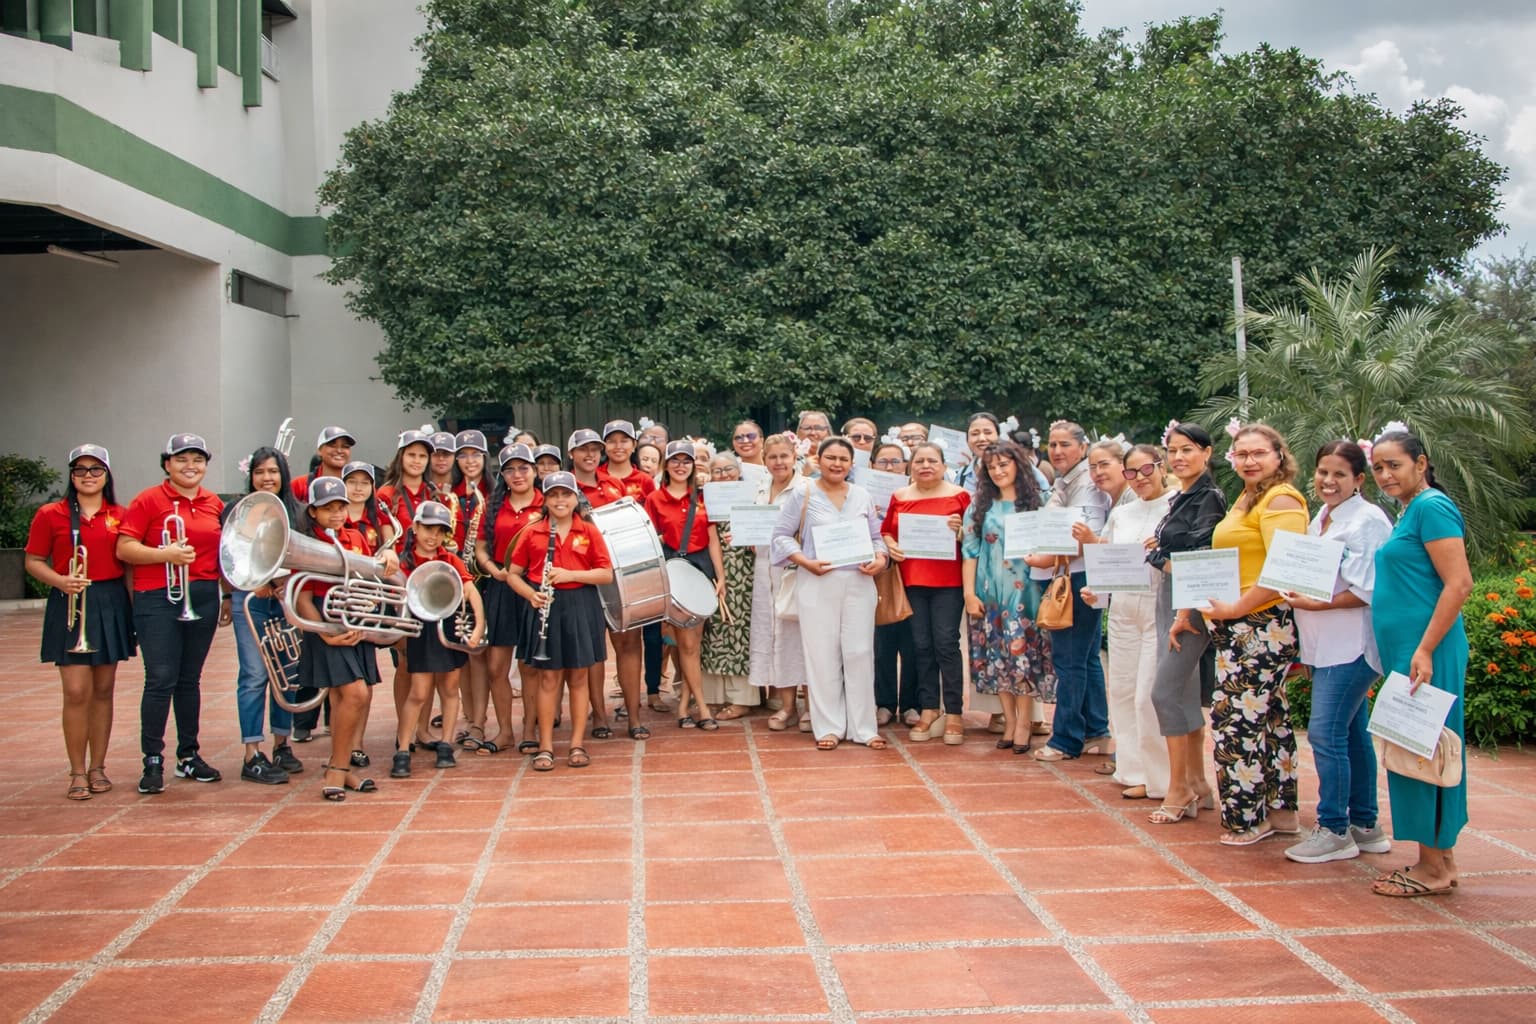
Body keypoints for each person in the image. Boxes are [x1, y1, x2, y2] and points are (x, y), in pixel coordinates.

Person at [1367, 428, 1472, 897]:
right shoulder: (1412, 511)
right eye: (1379, 467)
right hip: (1411, 653)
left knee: (1425, 748)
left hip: (1426, 652)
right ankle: (1439, 860)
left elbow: (1459, 584)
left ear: (1421, 463)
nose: (1386, 474)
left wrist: (1425, 649)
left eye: (1395, 465)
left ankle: (1432, 867)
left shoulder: (1431, 507)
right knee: (1421, 744)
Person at [1283, 440, 1394, 863]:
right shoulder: (1322, 519)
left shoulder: (1367, 521)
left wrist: (1313, 603)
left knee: (1325, 734)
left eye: (1339, 475)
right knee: (1349, 732)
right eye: (1322, 473)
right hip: (1324, 646)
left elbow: (1368, 591)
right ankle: (1365, 825)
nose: (1328, 482)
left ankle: (1333, 829)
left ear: (1358, 480)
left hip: (1351, 645)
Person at [1202, 423, 1307, 846]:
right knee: (1270, 718)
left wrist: (1235, 608)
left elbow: (1285, 570)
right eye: (1241, 454)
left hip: (1262, 624)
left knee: (1235, 720)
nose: (1248, 461)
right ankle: (1280, 812)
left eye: (1258, 453)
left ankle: (1248, 819)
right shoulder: (1249, 497)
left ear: (1279, 456)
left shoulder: (1281, 499)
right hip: (1241, 624)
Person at [116, 433, 226, 793]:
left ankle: (188, 755)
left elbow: (223, 552)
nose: (190, 466)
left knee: (189, 679)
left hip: (204, 595)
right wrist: (165, 555)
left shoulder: (213, 503)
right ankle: (152, 759)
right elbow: (125, 547)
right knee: (161, 677)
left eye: (198, 459)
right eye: (182, 459)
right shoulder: (149, 499)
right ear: (167, 464)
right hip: (157, 596)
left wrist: (224, 595)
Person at [25, 444, 134, 800]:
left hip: (110, 601)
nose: (88, 476)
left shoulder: (120, 513)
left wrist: (135, 614)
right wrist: (59, 580)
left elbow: (129, 566)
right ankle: (76, 771)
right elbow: (33, 560)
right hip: (69, 599)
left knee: (103, 690)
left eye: (96, 469)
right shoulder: (50, 514)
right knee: (75, 692)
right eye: (81, 470)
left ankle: (98, 767)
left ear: (107, 474)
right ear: (71, 476)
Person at [772, 437, 889, 750]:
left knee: (860, 653)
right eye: (831, 458)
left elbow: (877, 538)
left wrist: (879, 559)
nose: (837, 464)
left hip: (859, 582)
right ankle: (828, 727)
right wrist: (805, 562)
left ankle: (864, 728)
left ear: (852, 464)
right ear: (818, 460)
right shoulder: (804, 492)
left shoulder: (862, 495)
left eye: (843, 459)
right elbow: (781, 536)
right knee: (822, 654)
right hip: (818, 580)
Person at [1078, 444, 1174, 799]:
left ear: (1161, 466)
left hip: (1157, 606)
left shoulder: (1177, 505)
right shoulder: (1123, 512)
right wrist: (1096, 593)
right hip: (1121, 611)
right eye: (1132, 473)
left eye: (1146, 470)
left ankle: (1161, 779)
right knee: (1121, 689)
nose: (1139, 479)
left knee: (1147, 696)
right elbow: (1111, 562)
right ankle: (1132, 770)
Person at [507, 472, 614, 771]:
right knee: (549, 678)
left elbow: (605, 574)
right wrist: (530, 594)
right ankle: (545, 746)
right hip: (545, 605)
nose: (559, 500)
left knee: (579, 677)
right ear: (545, 499)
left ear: (575, 498)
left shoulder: (589, 531)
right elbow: (513, 574)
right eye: (553, 495)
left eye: (565, 494)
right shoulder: (533, 532)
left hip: (580, 605)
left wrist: (571, 575)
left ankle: (577, 743)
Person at [1147, 422, 1226, 825]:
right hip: (1172, 599)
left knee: (1165, 693)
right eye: (1173, 451)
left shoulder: (1209, 497)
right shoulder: (1183, 496)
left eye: (1188, 450)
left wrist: (1158, 557)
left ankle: (1178, 787)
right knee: (1185, 692)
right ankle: (1197, 782)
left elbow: (1201, 558)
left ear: (1207, 452)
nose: (1178, 458)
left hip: (1190, 607)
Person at [290, 477, 387, 800]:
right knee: (355, 694)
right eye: (327, 508)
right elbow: (302, 600)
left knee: (343, 697)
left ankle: (342, 766)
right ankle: (337, 769)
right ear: (313, 512)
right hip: (324, 622)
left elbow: (371, 583)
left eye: (340, 506)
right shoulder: (305, 543)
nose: (335, 513)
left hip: (353, 619)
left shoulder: (357, 536)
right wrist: (327, 633)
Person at [1027, 421, 1112, 762]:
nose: (1058, 451)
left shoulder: (1087, 487)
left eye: (1065, 444)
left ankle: (1065, 739)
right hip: (1074, 576)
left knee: (1070, 661)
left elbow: (1084, 539)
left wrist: (1043, 558)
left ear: (1082, 447)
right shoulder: (1066, 482)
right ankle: (1095, 730)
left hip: (1076, 578)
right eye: (1053, 444)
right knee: (1087, 658)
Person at [961, 440, 1053, 753]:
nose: (999, 471)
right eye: (992, 467)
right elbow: (970, 550)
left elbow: (1056, 545)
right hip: (990, 592)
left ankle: (1025, 722)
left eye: (1004, 464)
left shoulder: (1039, 503)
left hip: (1027, 591)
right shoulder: (979, 506)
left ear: (1018, 464)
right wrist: (969, 593)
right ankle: (1009, 721)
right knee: (996, 656)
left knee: (1022, 656)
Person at [223, 446, 305, 785]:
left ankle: (282, 744)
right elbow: (230, 557)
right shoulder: (238, 511)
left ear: (282, 474)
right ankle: (252, 754)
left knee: (286, 670)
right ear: (251, 476)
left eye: (273, 471)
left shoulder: (297, 512)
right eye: (260, 472)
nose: (267, 478)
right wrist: (242, 588)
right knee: (255, 674)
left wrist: (285, 581)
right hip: (251, 597)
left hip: (286, 597)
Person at [884, 441, 972, 744]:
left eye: (932, 461)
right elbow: (886, 531)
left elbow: (973, 539)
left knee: (946, 644)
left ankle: (955, 713)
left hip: (949, 582)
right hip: (912, 581)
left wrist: (959, 531)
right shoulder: (900, 496)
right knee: (920, 645)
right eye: (919, 461)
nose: (925, 466)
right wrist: (890, 544)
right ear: (911, 467)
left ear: (944, 466)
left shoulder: (960, 496)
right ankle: (929, 708)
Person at [391, 501, 483, 777]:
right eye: (427, 528)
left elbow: (470, 591)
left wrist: (478, 627)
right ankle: (403, 748)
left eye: (439, 531)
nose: (433, 536)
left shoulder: (450, 560)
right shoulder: (404, 561)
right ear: (415, 528)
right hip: (420, 630)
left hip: (448, 627)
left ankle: (446, 742)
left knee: (450, 687)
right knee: (419, 691)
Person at [646, 441, 727, 730]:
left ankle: (683, 706)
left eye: (686, 461)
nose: (681, 466)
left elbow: (713, 538)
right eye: (675, 460)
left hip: (701, 567)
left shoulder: (703, 497)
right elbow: (651, 540)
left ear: (694, 465)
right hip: (673, 570)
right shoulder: (654, 499)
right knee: (685, 643)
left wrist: (721, 577)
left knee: (693, 644)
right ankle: (702, 708)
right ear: (666, 465)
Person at [476, 444, 544, 755]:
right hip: (502, 590)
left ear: (534, 471)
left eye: (523, 468)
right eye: (510, 469)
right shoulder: (494, 505)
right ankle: (505, 730)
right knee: (495, 666)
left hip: (533, 590)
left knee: (530, 666)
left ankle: (530, 729)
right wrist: (494, 570)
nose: (517, 475)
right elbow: (480, 548)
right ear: (502, 475)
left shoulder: (546, 503)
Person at [596, 420, 653, 738]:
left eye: (624, 441)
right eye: (612, 441)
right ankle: (598, 715)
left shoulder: (644, 481)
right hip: (595, 572)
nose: (618, 446)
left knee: (631, 644)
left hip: (633, 575)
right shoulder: (592, 479)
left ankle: (634, 715)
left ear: (634, 445)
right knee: (594, 649)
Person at [751, 433, 811, 730]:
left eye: (784, 456)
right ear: (764, 461)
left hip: (797, 570)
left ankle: (811, 707)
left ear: (794, 458)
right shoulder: (761, 489)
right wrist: (746, 537)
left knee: (803, 637)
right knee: (775, 636)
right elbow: (756, 528)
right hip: (765, 571)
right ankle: (787, 707)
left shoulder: (806, 489)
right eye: (772, 457)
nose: (778, 462)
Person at [702, 452, 758, 720]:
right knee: (713, 628)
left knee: (739, 628)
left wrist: (750, 535)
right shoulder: (704, 499)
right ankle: (714, 695)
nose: (724, 475)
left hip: (744, 570)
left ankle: (741, 697)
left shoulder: (753, 496)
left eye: (729, 470)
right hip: (712, 568)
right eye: (718, 471)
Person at [869, 441, 918, 726]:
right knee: (882, 642)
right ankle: (884, 702)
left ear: (905, 465)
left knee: (913, 643)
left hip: (914, 575)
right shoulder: (862, 495)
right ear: (872, 465)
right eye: (883, 462)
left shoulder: (915, 493)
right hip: (879, 576)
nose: (890, 467)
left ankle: (911, 703)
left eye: (896, 462)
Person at [450, 429, 493, 750]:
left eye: (475, 455)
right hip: (455, 582)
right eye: (462, 455)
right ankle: (468, 719)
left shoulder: (496, 492)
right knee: (462, 654)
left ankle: (479, 722)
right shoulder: (450, 494)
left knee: (481, 656)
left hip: (486, 581)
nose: (469, 461)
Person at [292, 426, 356, 503]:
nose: (339, 450)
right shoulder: (299, 485)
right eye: (332, 445)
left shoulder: (360, 487)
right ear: (319, 450)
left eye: (345, 446)